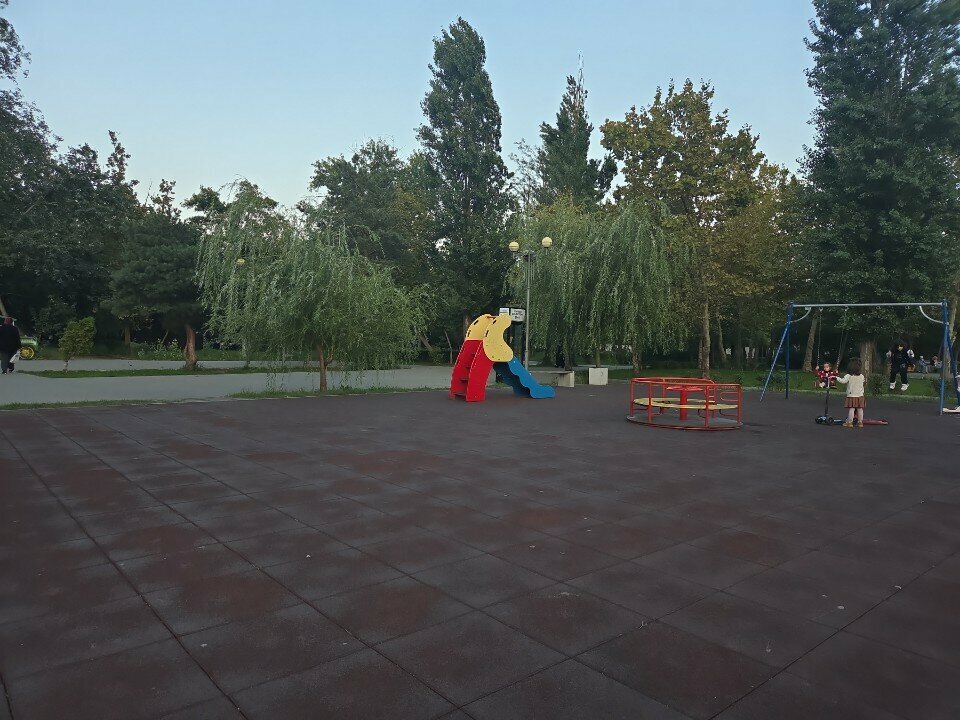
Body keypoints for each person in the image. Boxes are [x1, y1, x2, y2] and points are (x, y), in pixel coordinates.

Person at [836, 358, 866, 428]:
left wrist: (836, 377)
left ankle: (849, 422)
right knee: (860, 409)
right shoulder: (862, 376)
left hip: (852, 395)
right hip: (860, 395)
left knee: (852, 409)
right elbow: (863, 382)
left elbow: (843, 381)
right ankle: (860, 422)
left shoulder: (848, 376)